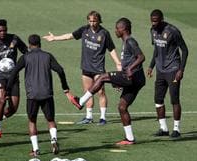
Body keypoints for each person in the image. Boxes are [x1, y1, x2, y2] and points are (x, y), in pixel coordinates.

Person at [70, 17, 146, 145]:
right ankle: (130, 139)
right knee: (122, 107)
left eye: (117, 28)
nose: (115, 30)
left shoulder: (130, 41)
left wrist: (130, 69)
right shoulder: (126, 41)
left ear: (124, 29)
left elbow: (141, 57)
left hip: (131, 78)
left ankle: (81, 101)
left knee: (102, 77)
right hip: (136, 80)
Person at [43, 10, 121, 125]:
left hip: (98, 69)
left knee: (101, 92)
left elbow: (111, 49)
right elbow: (69, 36)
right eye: (90, 21)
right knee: (87, 92)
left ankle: (103, 117)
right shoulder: (84, 30)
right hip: (86, 67)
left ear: (99, 20)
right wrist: (54, 38)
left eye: (94, 21)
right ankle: (89, 117)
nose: (92, 23)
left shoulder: (104, 33)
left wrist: (118, 63)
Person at [7, 34, 73, 156]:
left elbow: (13, 73)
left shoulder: (25, 57)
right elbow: (60, 70)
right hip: (47, 94)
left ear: (29, 45)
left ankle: (36, 149)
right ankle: (53, 140)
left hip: (32, 95)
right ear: (40, 44)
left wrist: (7, 91)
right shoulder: (48, 56)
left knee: (32, 121)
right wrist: (65, 87)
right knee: (51, 120)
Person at [147, 9, 188, 138]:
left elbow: (185, 50)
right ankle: (163, 128)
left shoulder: (172, 31)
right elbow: (157, 50)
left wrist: (181, 69)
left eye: (156, 21)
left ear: (161, 19)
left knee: (174, 99)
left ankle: (176, 129)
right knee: (158, 99)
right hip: (160, 70)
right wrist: (151, 66)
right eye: (152, 21)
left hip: (173, 69)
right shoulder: (152, 31)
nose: (154, 24)